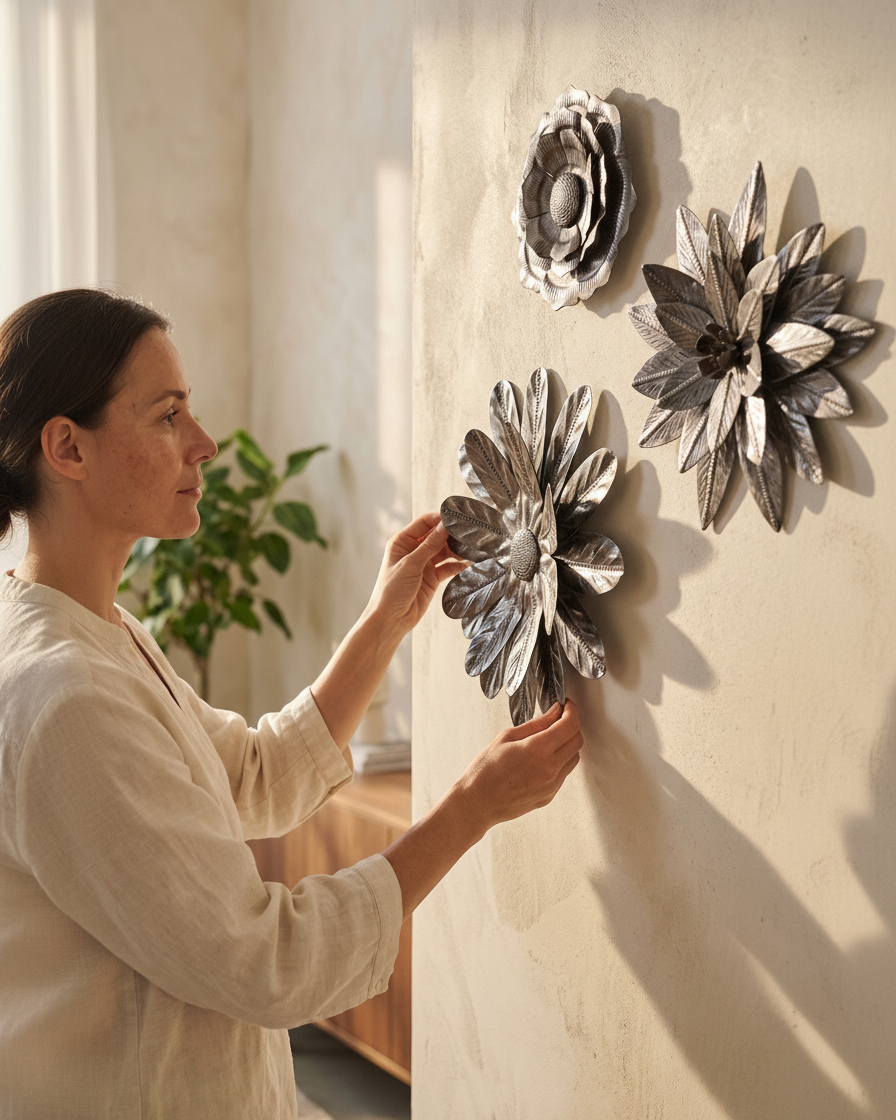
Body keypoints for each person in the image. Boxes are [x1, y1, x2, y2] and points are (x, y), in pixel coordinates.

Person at [0, 288, 583, 1119]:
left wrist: (385, 622)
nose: (203, 446)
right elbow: (263, 961)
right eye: (168, 418)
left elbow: (254, 774)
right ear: (68, 447)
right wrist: (470, 808)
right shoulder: (64, 699)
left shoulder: (99, 635)